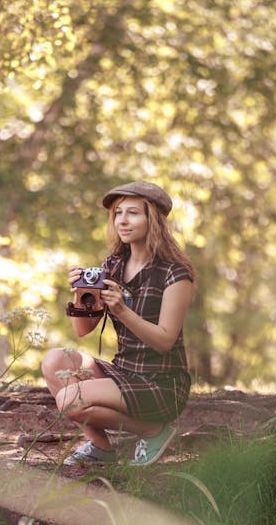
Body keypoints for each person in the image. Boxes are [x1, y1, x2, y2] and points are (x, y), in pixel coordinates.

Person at [41, 180, 196, 466]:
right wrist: (81, 294)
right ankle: (100, 447)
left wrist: (123, 311)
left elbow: (164, 341)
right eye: (118, 213)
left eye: (133, 213)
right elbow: (82, 331)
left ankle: (154, 431)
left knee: (69, 400)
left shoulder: (175, 274)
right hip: (125, 372)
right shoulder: (112, 265)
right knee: (53, 361)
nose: (122, 220)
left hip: (161, 384)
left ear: (154, 219)